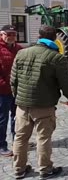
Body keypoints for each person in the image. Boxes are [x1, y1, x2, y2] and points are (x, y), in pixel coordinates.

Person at [11, 25, 68, 179]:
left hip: (22, 105)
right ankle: (45, 169)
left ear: (38, 36)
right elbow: (66, 83)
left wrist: (18, 97)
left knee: (20, 137)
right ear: (55, 38)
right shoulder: (57, 57)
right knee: (43, 138)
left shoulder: (21, 53)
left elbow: (13, 79)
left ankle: (19, 169)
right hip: (44, 105)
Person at [0, 25, 22, 157]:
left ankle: (17, 141)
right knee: (2, 119)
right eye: (8, 34)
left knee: (17, 117)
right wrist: (4, 84)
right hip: (2, 91)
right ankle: (1, 145)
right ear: (2, 35)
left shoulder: (19, 48)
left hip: (17, 90)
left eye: (13, 34)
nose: (11, 36)